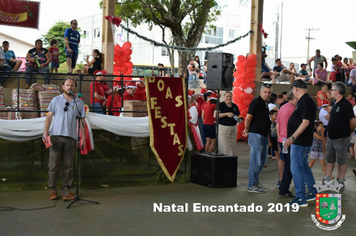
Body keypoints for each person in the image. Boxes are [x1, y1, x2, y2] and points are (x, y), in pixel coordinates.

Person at [43, 77, 86, 200]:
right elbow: (49, 117)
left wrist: (82, 138)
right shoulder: (55, 100)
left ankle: (66, 191)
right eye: (67, 85)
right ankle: (52, 190)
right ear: (63, 87)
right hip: (56, 136)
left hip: (71, 137)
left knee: (69, 166)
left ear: (75, 88)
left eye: (72, 85)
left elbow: (82, 121)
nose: (69, 87)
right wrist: (45, 133)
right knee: (54, 164)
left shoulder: (79, 103)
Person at [284, 80, 317, 207]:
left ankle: (300, 197)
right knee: (303, 167)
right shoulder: (304, 101)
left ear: (296, 89)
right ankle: (313, 192)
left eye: (293, 89)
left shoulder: (305, 101)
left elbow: (305, 122)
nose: (292, 92)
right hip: (302, 141)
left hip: (300, 141)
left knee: (296, 168)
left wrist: (292, 137)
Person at [323, 82, 356, 190]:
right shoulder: (335, 103)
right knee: (330, 159)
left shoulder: (345, 104)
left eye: (332, 90)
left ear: (337, 91)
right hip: (331, 138)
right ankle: (327, 178)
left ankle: (341, 181)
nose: (331, 91)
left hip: (341, 138)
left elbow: (353, 121)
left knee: (341, 160)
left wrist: (348, 132)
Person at [243, 83, 272, 193]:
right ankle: (251, 184)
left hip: (263, 135)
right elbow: (248, 118)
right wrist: (247, 130)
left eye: (269, 93)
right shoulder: (256, 102)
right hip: (256, 135)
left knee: (262, 161)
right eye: (265, 92)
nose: (267, 94)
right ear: (260, 92)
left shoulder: (265, 104)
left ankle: (255, 181)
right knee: (256, 160)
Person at [276, 92, 297, 198]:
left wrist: (280, 138)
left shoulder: (282, 108)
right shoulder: (293, 109)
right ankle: (284, 189)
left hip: (282, 139)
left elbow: (278, 124)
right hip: (289, 141)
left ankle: (283, 187)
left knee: (285, 163)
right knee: (289, 166)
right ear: (293, 98)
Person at [214, 91, 240, 155]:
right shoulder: (221, 105)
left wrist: (239, 119)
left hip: (233, 129)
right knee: (225, 147)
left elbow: (238, 116)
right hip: (223, 129)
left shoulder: (235, 106)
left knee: (232, 147)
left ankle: (230, 161)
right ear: (224, 97)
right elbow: (215, 115)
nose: (229, 98)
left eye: (230, 96)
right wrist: (226, 114)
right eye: (227, 96)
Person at [268, 109, 281, 186]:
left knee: (276, 151)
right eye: (275, 115)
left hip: (275, 138)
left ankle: (279, 163)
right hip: (271, 138)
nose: (276, 116)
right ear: (271, 115)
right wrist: (269, 141)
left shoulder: (276, 123)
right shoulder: (269, 123)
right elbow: (267, 132)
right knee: (265, 151)